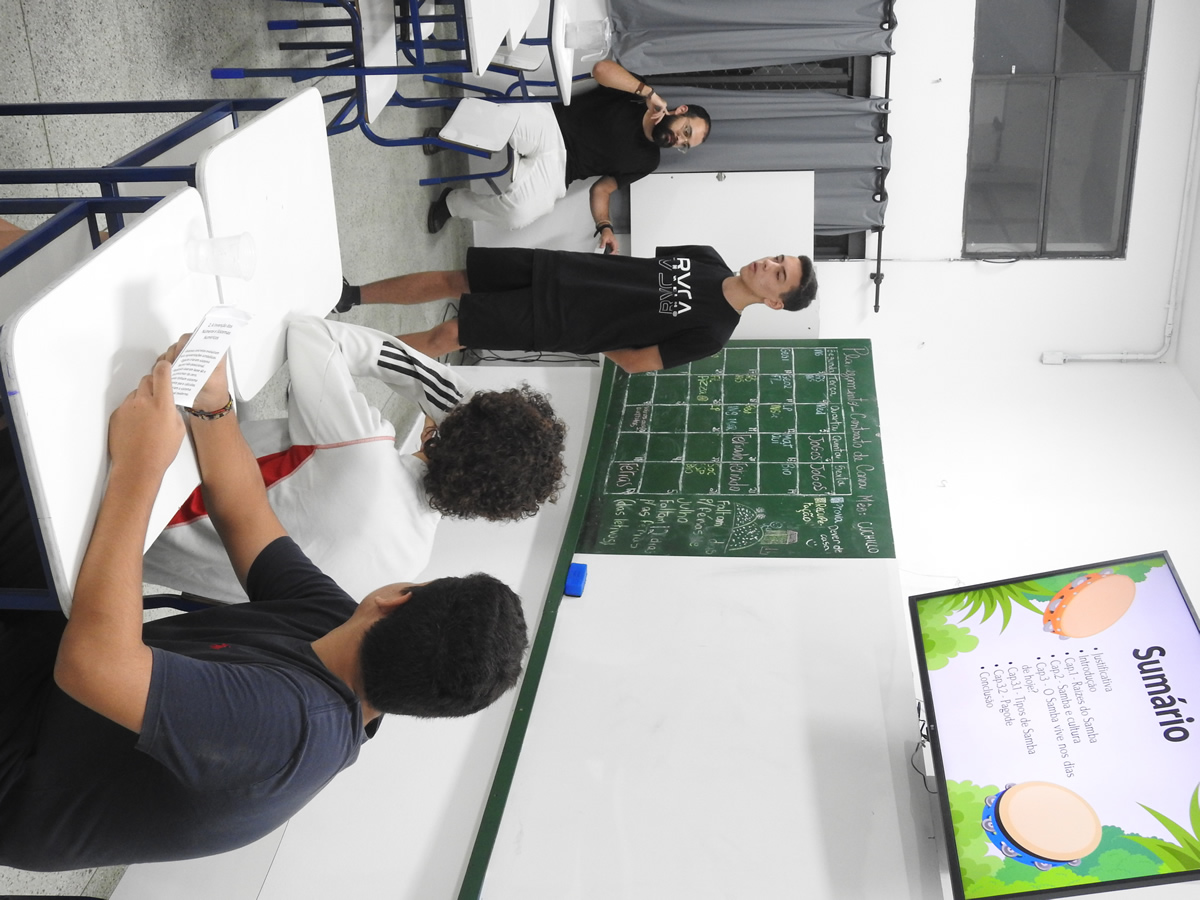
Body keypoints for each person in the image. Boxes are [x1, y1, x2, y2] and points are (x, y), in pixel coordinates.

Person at [0, 342, 528, 870]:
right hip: (62, 692)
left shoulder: (290, 731)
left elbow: (93, 665)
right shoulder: (337, 627)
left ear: (394, 598)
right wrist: (213, 405)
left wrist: (140, 467)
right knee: (46, 481)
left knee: (35, 476)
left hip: (25, 750)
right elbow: (244, 510)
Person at [142, 317, 566, 604]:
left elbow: (311, 333)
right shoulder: (407, 567)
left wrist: (461, 401)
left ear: (443, 423)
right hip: (135, 558)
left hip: (136, 476)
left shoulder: (361, 446)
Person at [336, 248, 818, 374]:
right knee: (455, 279)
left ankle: (339, 357)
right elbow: (639, 272)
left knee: (448, 336)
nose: (768, 264)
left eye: (779, 274)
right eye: (777, 258)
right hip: (560, 268)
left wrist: (586, 329)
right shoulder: (708, 257)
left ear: (775, 302)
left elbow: (636, 361)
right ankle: (350, 295)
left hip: (559, 321)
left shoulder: (713, 334)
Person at [420, 60, 711, 254]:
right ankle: (451, 133)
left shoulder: (649, 161)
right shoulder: (637, 94)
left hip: (560, 172)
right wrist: (647, 92)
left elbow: (602, 190)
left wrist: (605, 226)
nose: (679, 140)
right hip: (551, 124)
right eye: (686, 131)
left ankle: (452, 203)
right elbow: (601, 69)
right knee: (509, 118)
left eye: (686, 144)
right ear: (681, 111)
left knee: (517, 215)